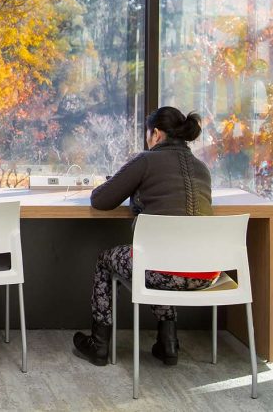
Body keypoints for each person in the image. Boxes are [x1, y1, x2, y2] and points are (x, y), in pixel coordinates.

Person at [72, 107, 217, 367]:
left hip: (162, 271)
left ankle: (99, 346)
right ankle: (168, 343)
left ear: (157, 134)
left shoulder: (147, 160)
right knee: (163, 255)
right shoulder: (202, 168)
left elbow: (100, 200)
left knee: (112, 259)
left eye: (148, 135)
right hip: (206, 274)